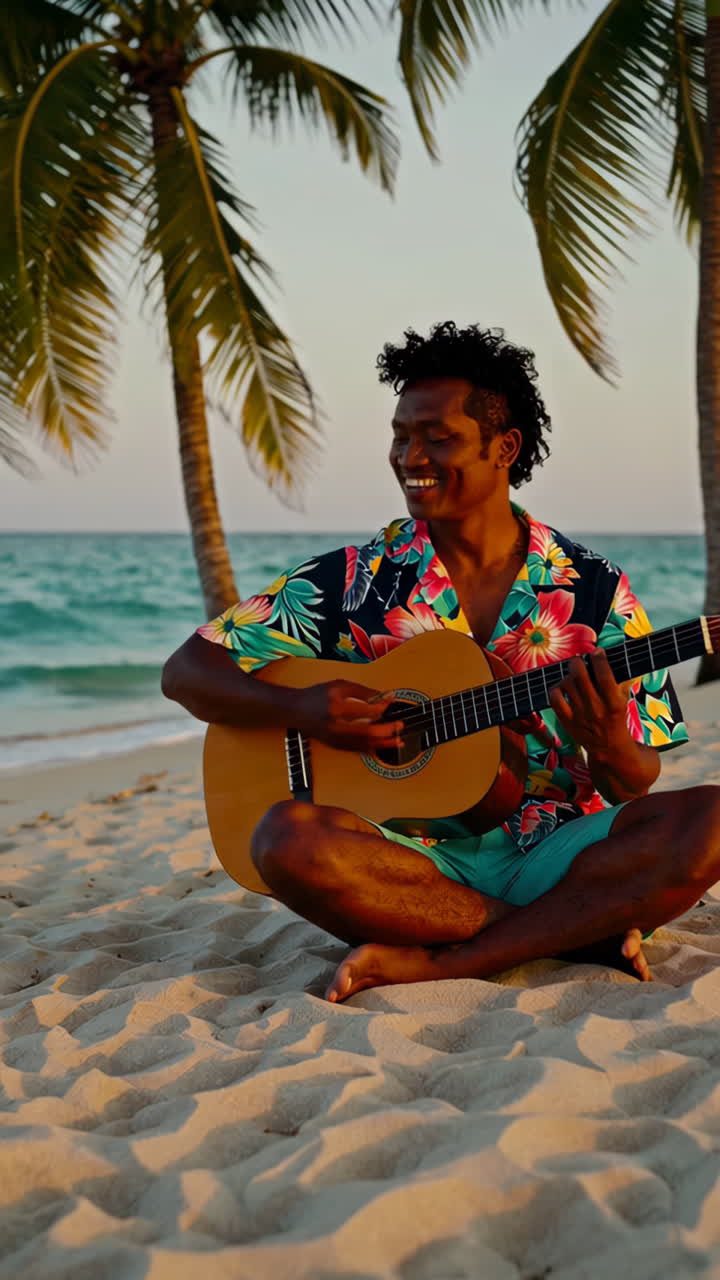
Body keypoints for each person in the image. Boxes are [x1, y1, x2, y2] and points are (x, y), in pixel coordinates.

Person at [163, 322, 720, 1003]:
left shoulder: (593, 587)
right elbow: (188, 670)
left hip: (558, 852)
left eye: (437, 436)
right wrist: (302, 707)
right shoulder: (354, 580)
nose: (410, 455)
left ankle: (444, 959)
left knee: (709, 821)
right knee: (284, 840)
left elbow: (636, 779)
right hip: (408, 863)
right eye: (401, 435)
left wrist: (606, 742)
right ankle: (562, 936)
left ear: (504, 447)